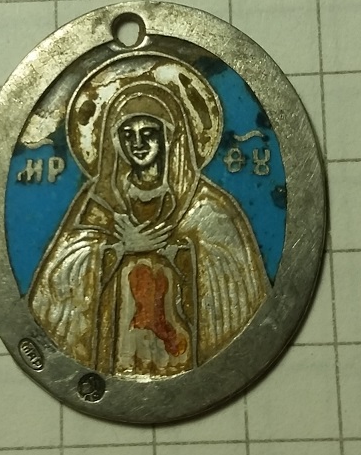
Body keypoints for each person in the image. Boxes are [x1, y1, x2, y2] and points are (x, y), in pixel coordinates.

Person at [28, 55, 270, 377]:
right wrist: (119, 249)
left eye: (149, 133)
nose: (138, 144)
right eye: (128, 135)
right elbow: (62, 274)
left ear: (169, 137)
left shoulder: (207, 205)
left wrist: (174, 252)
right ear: (115, 143)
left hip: (182, 348)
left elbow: (232, 278)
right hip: (116, 349)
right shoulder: (99, 202)